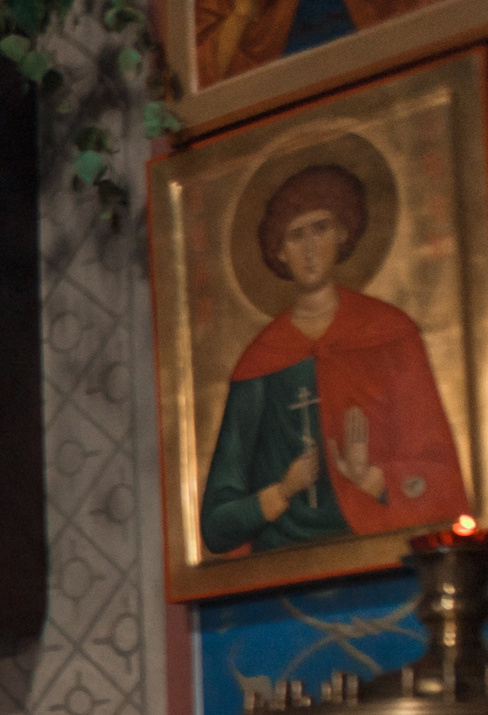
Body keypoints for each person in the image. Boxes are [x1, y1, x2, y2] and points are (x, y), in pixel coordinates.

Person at [198, 162, 468, 558]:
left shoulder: (390, 333)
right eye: (295, 236)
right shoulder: (260, 361)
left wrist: (373, 478)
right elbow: (216, 525)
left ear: (343, 232)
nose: (309, 250)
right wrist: (280, 492)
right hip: (281, 565)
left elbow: (446, 488)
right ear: (278, 252)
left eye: (321, 229)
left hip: (381, 555)